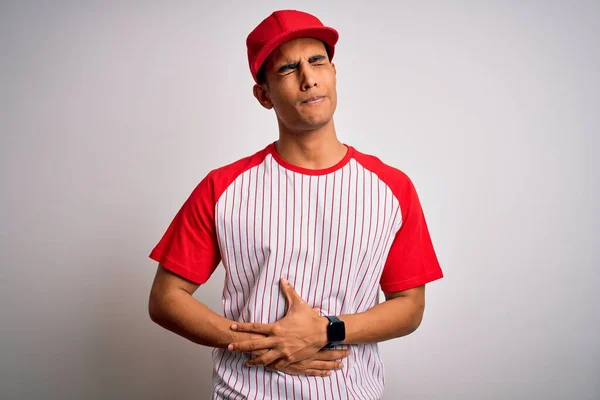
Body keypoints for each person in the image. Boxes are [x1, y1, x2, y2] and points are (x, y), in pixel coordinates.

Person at [148, 9, 444, 399]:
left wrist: (326, 330)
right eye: (288, 68)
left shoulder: (392, 187)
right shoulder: (223, 187)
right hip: (246, 393)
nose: (309, 78)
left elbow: (409, 306)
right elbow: (165, 299)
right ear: (264, 95)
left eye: (317, 60)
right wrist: (268, 342)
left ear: (334, 73)